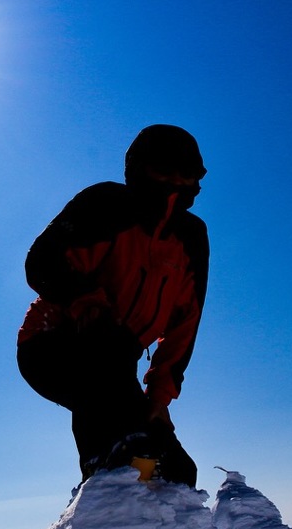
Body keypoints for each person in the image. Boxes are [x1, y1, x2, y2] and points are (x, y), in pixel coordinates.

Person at [17, 124, 209, 488]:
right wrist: (87, 301)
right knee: (128, 446)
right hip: (53, 344)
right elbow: (42, 260)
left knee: (178, 470)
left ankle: (146, 521)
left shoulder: (191, 237)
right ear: (139, 168)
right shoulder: (106, 203)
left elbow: (187, 320)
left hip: (117, 364)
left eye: (185, 173)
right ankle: (109, 476)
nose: (175, 181)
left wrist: (160, 394)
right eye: (164, 169)